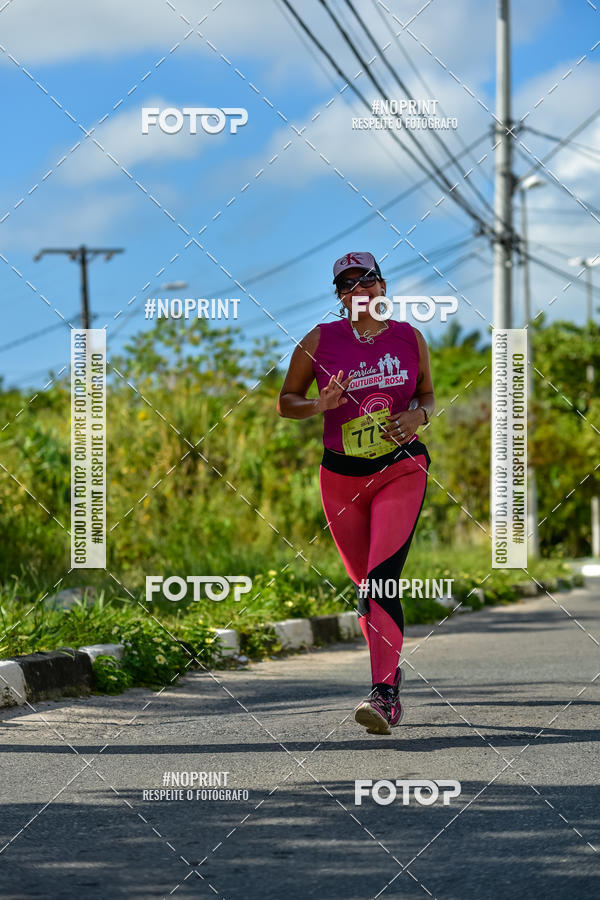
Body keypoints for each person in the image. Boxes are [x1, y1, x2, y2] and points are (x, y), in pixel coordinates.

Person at [276, 252, 434, 735]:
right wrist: (316, 405)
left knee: (383, 579)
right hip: (341, 478)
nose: (357, 288)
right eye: (346, 284)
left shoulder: (410, 337)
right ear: (340, 296)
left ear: (382, 287)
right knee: (366, 588)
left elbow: (427, 395)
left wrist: (418, 417)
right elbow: (287, 402)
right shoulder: (321, 340)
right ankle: (389, 671)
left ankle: (383, 696)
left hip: (400, 469)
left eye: (366, 279)